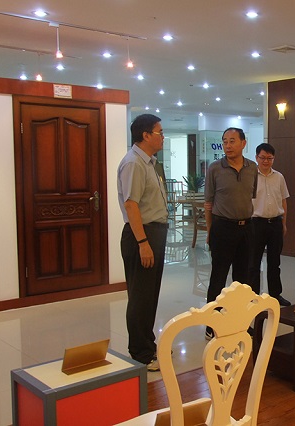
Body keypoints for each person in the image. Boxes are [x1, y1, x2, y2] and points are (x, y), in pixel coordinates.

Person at [117, 114, 169, 372]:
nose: (163, 137)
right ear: (146, 135)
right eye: (160, 132)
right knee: (140, 298)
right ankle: (140, 353)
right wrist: (143, 242)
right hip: (142, 235)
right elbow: (131, 205)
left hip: (153, 233)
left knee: (149, 296)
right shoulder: (134, 163)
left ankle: (148, 343)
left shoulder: (149, 163)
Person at [204, 127, 258, 339]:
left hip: (247, 228)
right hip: (222, 227)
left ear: (243, 143)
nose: (227, 145)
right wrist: (210, 231)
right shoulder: (215, 168)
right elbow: (208, 203)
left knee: (243, 280)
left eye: (232, 141)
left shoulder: (252, 168)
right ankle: (212, 324)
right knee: (218, 276)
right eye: (225, 141)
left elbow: (251, 196)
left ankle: (240, 322)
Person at [249, 143, 291, 306]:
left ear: (273, 159)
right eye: (263, 158)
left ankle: (275, 295)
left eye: (269, 158)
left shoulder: (279, 177)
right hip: (256, 224)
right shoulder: (250, 176)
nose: (266, 161)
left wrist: (284, 224)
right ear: (256, 157)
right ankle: (253, 296)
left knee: (275, 262)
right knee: (253, 262)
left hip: (275, 223)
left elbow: (283, 201)